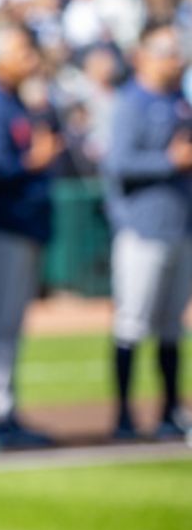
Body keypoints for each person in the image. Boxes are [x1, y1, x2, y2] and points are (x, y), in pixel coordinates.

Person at [0, 25, 62, 448]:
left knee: (10, 322)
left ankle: (1, 407)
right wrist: (35, 160)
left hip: (20, 221)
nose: (31, 58)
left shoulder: (18, 100)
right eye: (21, 51)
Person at [101, 24, 192, 440]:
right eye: (166, 51)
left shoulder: (179, 101)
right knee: (132, 322)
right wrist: (170, 161)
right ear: (143, 55)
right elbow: (118, 163)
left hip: (180, 225)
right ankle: (123, 415)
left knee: (172, 324)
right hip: (142, 228)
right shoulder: (130, 102)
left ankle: (170, 410)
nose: (176, 58)